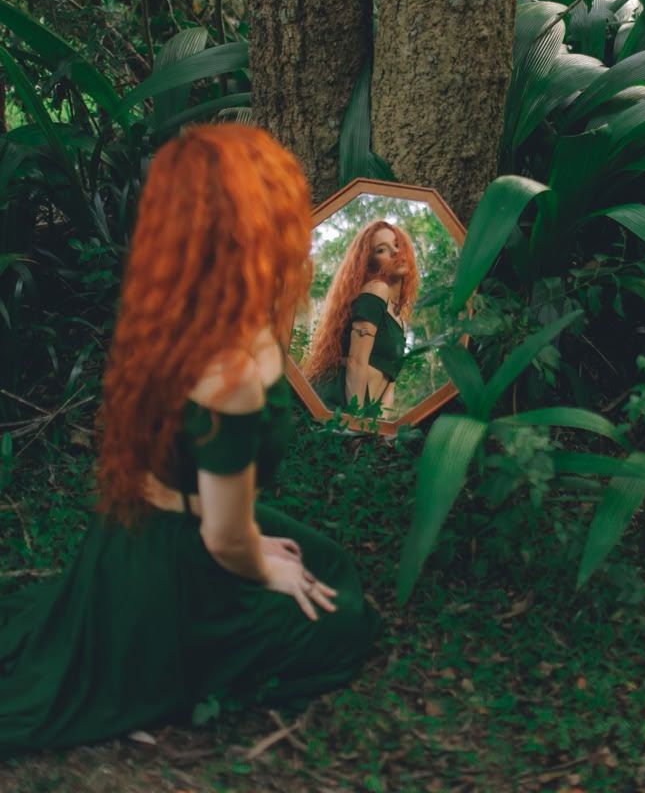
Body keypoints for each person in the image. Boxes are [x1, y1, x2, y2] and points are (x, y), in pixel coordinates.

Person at [0, 124, 379, 760]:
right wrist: (260, 562)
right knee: (339, 619)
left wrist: (253, 539)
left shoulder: (171, 305)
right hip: (179, 561)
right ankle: (165, 665)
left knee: (326, 559)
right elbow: (222, 539)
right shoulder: (232, 371)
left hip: (144, 524)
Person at [302, 220, 418, 416]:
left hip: (362, 412)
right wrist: (356, 421)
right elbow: (357, 360)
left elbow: (390, 382)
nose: (396, 252)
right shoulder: (376, 289)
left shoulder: (400, 322)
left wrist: (378, 427)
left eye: (397, 245)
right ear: (370, 263)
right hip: (338, 404)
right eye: (382, 250)